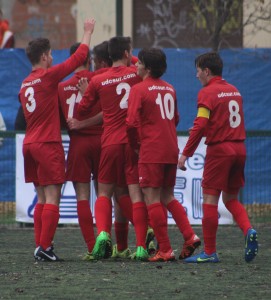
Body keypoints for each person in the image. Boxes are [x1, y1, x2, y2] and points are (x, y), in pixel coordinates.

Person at [18, 18, 96, 262]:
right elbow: (78, 57)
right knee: (53, 198)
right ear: (43, 57)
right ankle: (44, 247)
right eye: (50, 55)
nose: (52, 59)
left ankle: (42, 246)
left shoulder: (25, 84)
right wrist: (87, 31)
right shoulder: (47, 78)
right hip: (47, 144)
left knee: (42, 198)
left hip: (29, 144)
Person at [178, 52, 258, 263]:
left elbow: (202, 124)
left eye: (197, 71)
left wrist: (185, 153)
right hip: (239, 149)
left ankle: (210, 252)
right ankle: (248, 230)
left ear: (206, 71)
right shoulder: (234, 91)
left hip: (220, 151)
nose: (196, 76)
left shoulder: (207, 93)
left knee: (210, 200)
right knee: (230, 199)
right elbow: (223, 122)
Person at [78, 36, 150, 261]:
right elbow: (145, 64)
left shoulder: (99, 80)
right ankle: (141, 244)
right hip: (132, 143)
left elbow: (82, 110)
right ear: (128, 54)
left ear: (108, 56)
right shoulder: (137, 75)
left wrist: (85, 93)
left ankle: (101, 235)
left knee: (104, 193)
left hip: (109, 142)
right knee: (132, 194)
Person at [126, 48, 201, 262]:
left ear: (148, 68)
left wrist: (136, 145)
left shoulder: (139, 90)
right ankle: (190, 235)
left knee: (152, 199)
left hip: (151, 150)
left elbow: (131, 123)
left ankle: (165, 249)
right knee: (167, 196)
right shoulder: (170, 89)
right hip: (170, 148)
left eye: (139, 63)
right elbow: (175, 118)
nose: (136, 66)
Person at [58, 41, 104, 260]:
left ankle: (91, 247)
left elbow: (60, 120)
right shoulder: (100, 80)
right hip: (103, 141)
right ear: (89, 59)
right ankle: (109, 242)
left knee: (82, 197)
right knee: (105, 196)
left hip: (78, 145)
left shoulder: (60, 86)